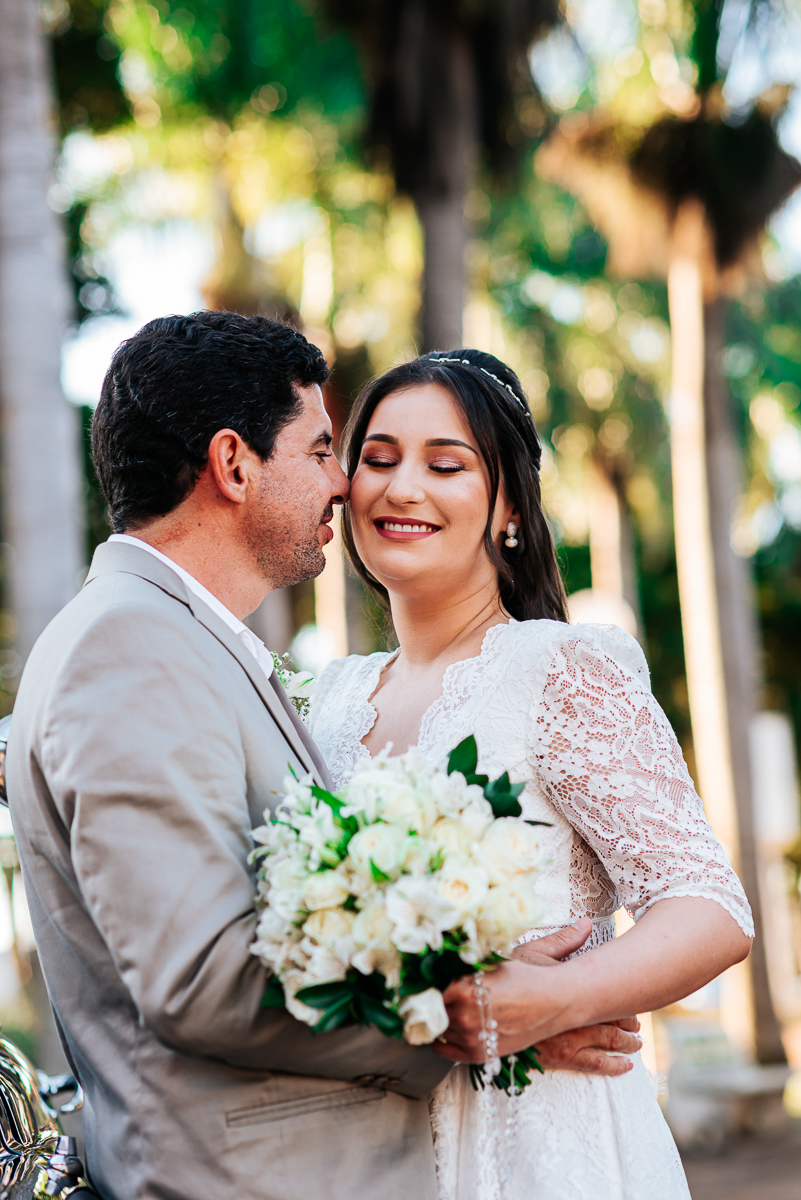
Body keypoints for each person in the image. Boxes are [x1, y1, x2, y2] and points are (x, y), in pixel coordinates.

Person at [7, 314, 642, 1200]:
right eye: (316, 452)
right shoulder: (129, 648)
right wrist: (479, 1014)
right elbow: (201, 982)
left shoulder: (179, 641)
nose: (344, 485)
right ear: (233, 465)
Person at [306, 347, 754, 1199]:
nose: (402, 488)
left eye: (446, 464)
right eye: (376, 458)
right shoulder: (324, 701)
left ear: (507, 504)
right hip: (364, 1145)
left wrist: (554, 1002)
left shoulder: (560, 670)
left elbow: (708, 907)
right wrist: (440, 1011)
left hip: (541, 1148)